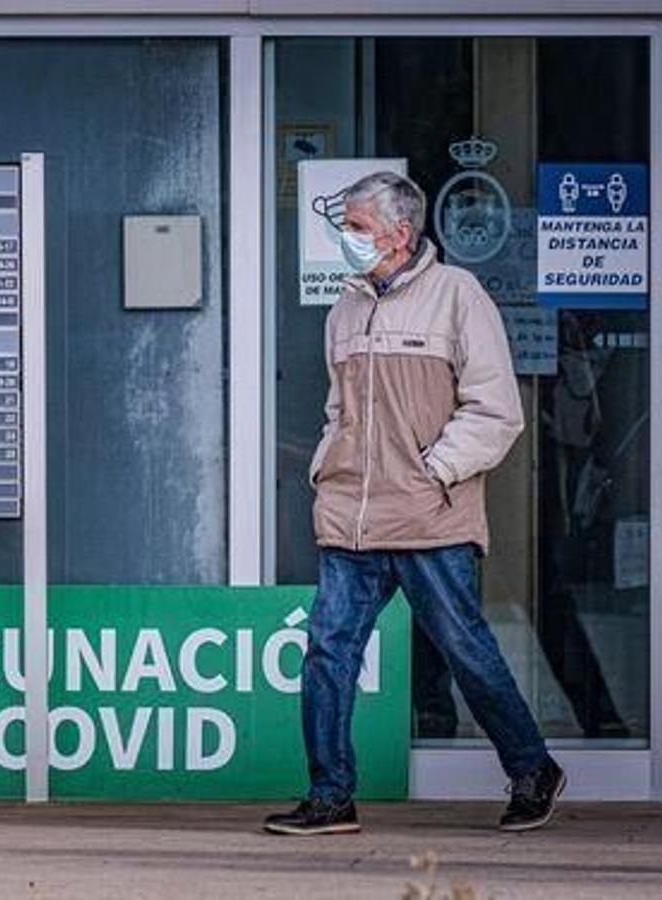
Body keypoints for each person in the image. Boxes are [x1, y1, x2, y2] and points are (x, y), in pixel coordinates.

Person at [264, 171, 565, 837]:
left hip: (430, 515)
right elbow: (339, 408)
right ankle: (330, 794)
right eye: (344, 225)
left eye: (357, 227)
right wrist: (328, 465)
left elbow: (497, 412)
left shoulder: (459, 295)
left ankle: (531, 769)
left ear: (400, 234)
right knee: (326, 652)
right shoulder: (345, 305)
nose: (346, 238)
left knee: (466, 652)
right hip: (351, 516)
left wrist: (435, 472)